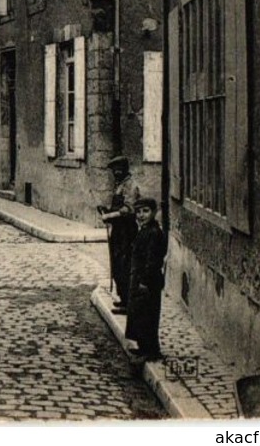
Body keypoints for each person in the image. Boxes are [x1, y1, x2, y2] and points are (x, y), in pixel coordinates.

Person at [125, 198, 166, 363]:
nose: (141, 215)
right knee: (138, 313)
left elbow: (153, 260)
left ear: (154, 212)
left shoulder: (154, 233)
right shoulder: (144, 230)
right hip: (139, 278)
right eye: (139, 212)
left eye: (146, 211)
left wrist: (144, 281)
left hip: (148, 281)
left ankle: (151, 350)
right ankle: (143, 346)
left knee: (148, 314)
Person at [98, 155, 140, 313]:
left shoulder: (130, 186)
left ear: (125, 169)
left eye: (118, 169)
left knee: (125, 265)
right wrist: (106, 210)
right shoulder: (120, 184)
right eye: (113, 170)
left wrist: (109, 216)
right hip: (118, 231)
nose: (115, 173)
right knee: (117, 265)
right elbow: (117, 207)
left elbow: (128, 209)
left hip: (127, 232)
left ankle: (128, 303)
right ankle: (123, 298)